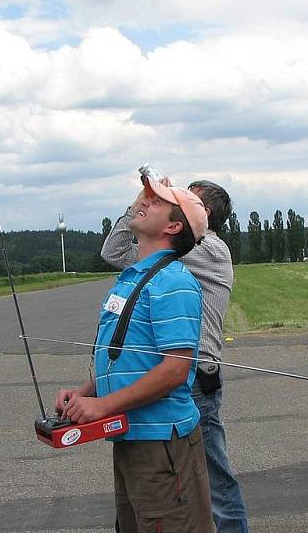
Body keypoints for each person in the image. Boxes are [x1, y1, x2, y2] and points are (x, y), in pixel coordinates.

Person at [57, 178, 214, 533]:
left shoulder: (172, 282)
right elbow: (130, 357)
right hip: (132, 435)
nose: (142, 201)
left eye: (155, 202)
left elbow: (175, 370)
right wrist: (88, 391)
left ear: (173, 227)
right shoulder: (134, 276)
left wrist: (104, 406)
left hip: (160, 442)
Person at [101, 178, 249, 533]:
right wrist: (143, 203)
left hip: (192, 376)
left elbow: (158, 240)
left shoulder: (208, 249)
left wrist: (150, 206)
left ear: (199, 214)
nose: (165, 198)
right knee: (178, 486)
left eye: (178, 197)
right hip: (166, 375)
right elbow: (116, 251)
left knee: (208, 480)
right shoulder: (170, 255)